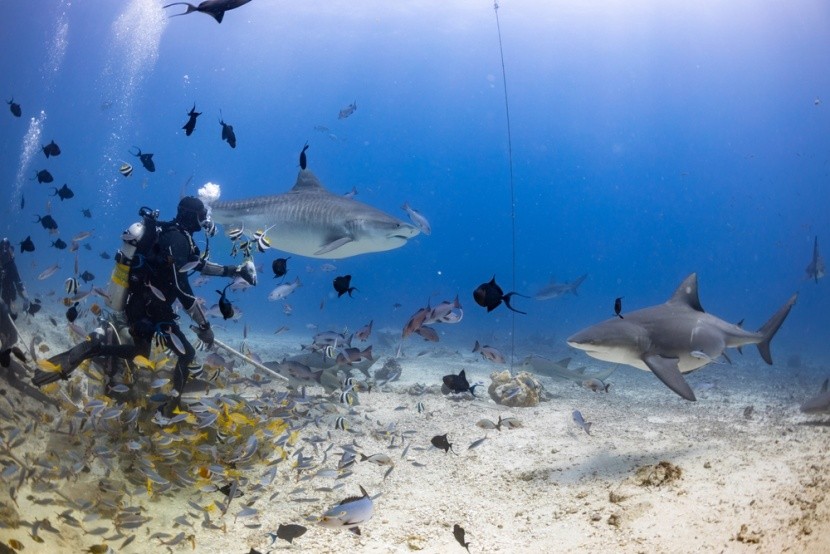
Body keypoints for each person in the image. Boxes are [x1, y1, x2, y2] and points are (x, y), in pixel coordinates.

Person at [32, 197, 256, 415]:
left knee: (140, 352)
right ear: (191, 216)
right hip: (156, 311)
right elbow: (182, 287)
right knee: (186, 355)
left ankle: (92, 349)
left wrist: (233, 271)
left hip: (136, 304)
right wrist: (204, 326)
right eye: (201, 216)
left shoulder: (167, 234)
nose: (204, 220)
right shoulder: (179, 240)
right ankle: (172, 405)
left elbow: (197, 266)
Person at [0, 238, 30, 320]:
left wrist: (25, 298)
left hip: (9, 287)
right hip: (7, 284)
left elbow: (18, 282)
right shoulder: (7, 263)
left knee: (8, 296)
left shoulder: (11, 265)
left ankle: (8, 316)